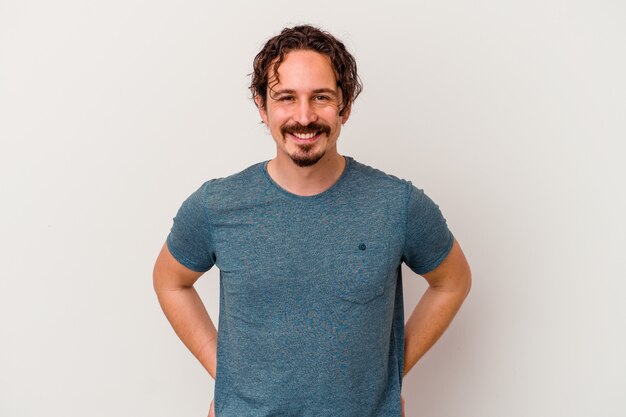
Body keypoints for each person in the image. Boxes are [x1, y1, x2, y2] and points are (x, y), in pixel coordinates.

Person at [153, 25, 471, 417]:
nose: (304, 117)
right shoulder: (216, 205)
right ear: (261, 106)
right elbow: (170, 281)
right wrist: (225, 376)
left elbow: (453, 281)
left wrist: (389, 376)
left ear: (345, 106)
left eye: (320, 97)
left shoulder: (398, 205)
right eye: (286, 98)